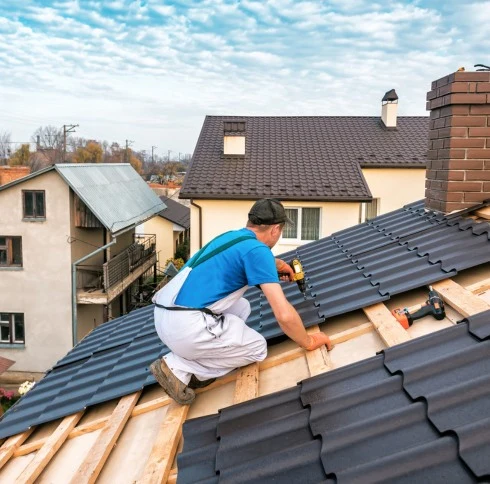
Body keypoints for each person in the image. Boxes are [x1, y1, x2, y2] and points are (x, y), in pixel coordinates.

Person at [150, 198, 332, 405]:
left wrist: (277, 264)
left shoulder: (232, 237)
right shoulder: (258, 251)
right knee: (257, 348)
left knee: (242, 306)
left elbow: (243, 261)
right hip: (185, 328)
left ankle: (199, 357)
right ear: (275, 230)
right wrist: (309, 341)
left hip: (166, 316)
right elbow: (283, 314)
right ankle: (179, 368)